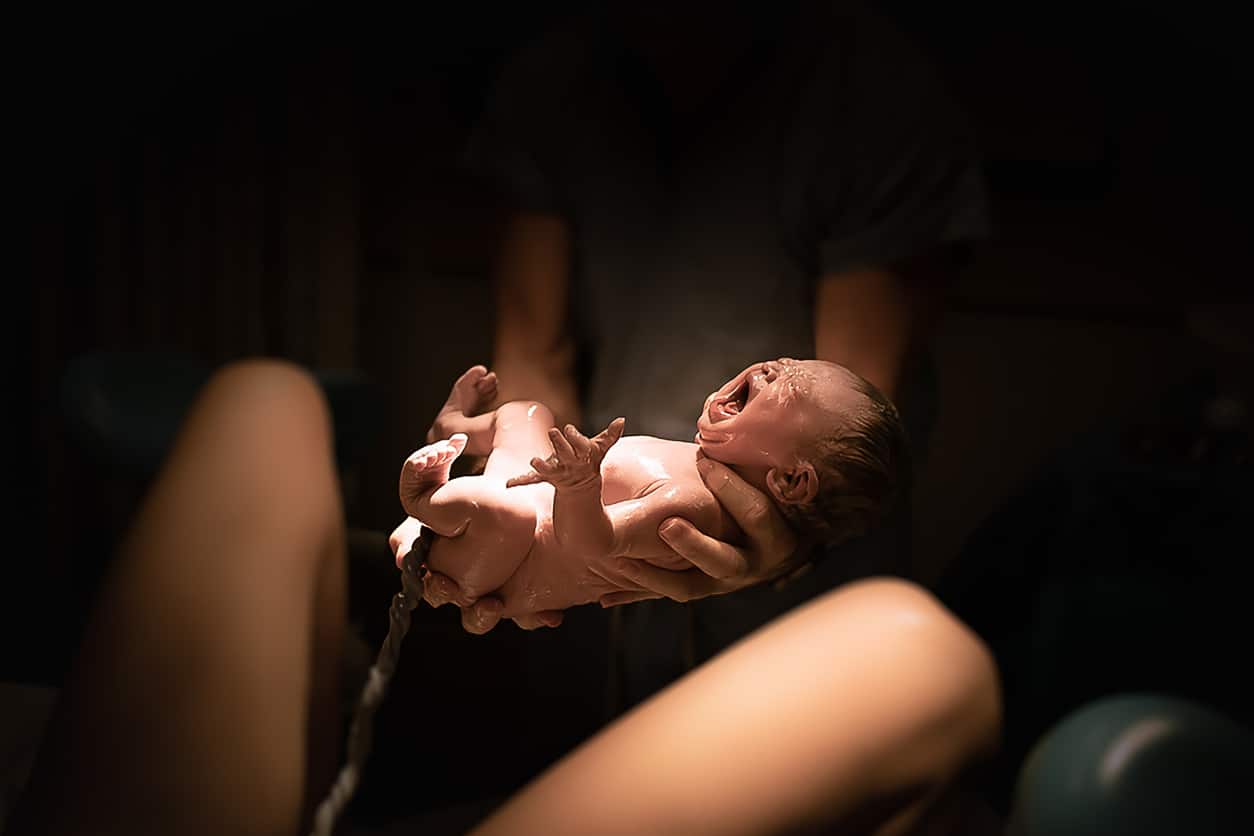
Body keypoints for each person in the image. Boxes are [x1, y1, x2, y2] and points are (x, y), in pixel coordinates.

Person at [9, 360, 1003, 836]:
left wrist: (771, 555)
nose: (745, 384)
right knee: (267, 392)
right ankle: (438, 514)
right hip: (530, 545)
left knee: (924, 646)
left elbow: (849, 430)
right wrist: (514, 452)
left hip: (588, 567)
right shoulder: (560, 92)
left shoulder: (862, 113)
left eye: (764, 396)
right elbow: (531, 386)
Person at [403, 0, 989, 707]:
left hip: (802, 619)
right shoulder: (553, 81)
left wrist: (780, 549)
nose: (776, 367)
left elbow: (852, 414)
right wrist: (521, 524)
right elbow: (532, 356)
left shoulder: (871, 95)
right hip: (599, 603)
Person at [398, 359, 904, 621]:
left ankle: (424, 499)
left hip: (507, 554)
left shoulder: (695, 510)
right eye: (792, 360)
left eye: (795, 387)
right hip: (521, 495)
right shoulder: (703, 463)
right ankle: (452, 427)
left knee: (498, 511)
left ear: (791, 481)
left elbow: (589, 544)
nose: (775, 367)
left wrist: (579, 487)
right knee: (527, 413)